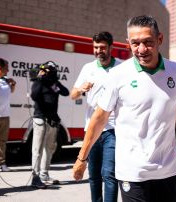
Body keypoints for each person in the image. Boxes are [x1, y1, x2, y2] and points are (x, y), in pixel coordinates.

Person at [73, 15, 176, 202]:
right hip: (132, 173)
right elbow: (99, 119)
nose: (142, 49)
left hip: (168, 171)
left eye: (148, 42)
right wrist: (82, 159)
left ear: (160, 39)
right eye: (135, 43)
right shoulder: (117, 75)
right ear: (128, 43)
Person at [71, 31, 121, 202]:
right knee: (94, 176)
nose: (98, 50)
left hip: (113, 130)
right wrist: (81, 89)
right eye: (95, 47)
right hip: (91, 130)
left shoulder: (121, 68)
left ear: (110, 48)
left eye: (102, 47)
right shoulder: (88, 68)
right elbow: (73, 95)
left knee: (109, 174)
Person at [30, 61, 69, 188]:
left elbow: (65, 92)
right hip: (40, 119)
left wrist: (54, 84)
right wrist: (40, 79)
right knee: (37, 150)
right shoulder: (38, 81)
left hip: (52, 120)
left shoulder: (54, 84)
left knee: (49, 149)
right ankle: (35, 178)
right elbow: (34, 96)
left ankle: (44, 174)